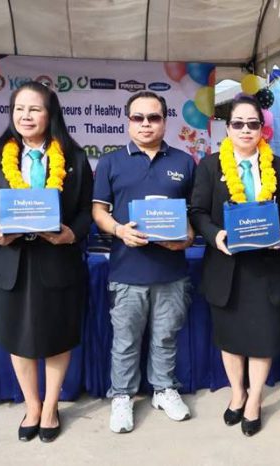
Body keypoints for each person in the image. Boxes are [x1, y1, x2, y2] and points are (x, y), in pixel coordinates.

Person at [0, 81, 93, 443]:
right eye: (19, 108)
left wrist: (72, 233)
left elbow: (87, 210)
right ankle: (32, 406)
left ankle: (52, 407)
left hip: (57, 262)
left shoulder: (75, 158)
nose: (26, 116)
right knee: (17, 338)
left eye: (34, 109)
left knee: (57, 336)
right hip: (11, 263)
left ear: (50, 113)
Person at [190, 96, 280, 437]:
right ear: (228, 127)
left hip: (266, 268)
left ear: (262, 128)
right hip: (227, 267)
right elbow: (197, 212)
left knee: (263, 337)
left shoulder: (279, 167)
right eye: (239, 123)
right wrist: (214, 234)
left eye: (253, 124)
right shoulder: (209, 167)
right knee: (231, 337)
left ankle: (255, 400)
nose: (246, 130)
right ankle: (238, 393)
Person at [92, 91, 195, 434]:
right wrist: (119, 230)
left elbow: (191, 218)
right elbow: (98, 211)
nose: (146, 124)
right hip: (127, 270)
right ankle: (122, 396)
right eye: (139, 118)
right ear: (128, 121)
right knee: (125, 340)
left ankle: (164, 389)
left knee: (166, 336)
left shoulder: (184, 161)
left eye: (154, 117)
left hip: (172, 271)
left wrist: (187, 238)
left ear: (165, 121)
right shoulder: (110, 162)